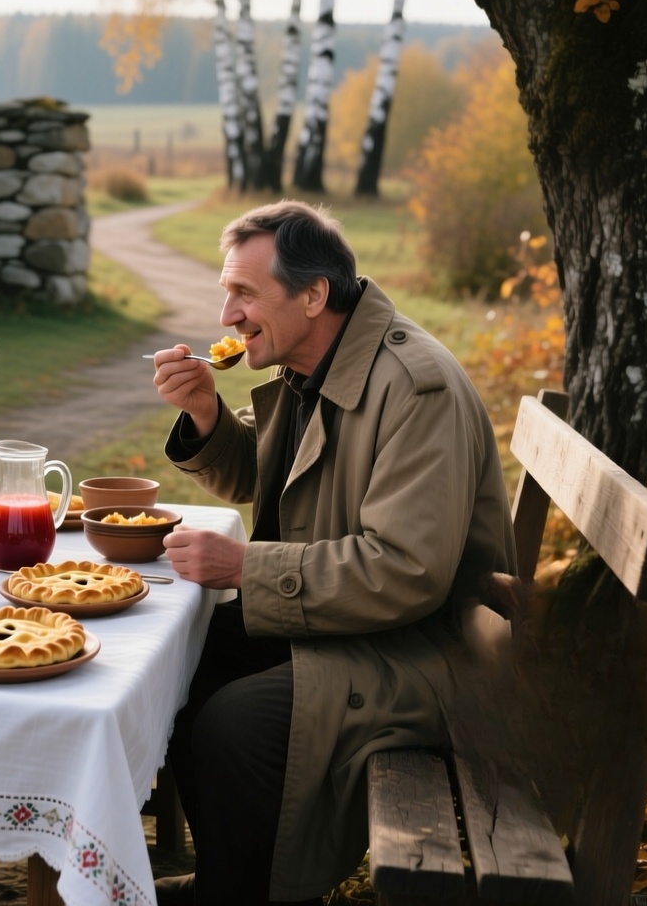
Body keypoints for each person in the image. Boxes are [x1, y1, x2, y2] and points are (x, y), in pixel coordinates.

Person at [149, 200, 517, 906]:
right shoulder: (317, 365)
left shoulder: (414, 389)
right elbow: (270, 471)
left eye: (245, 294)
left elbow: (406, 572)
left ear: (314, 295)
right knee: (190, 661)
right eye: (227, 293)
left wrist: (243, 568)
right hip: (358, 627)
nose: (227, 316)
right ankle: (234, 881)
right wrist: (205, 414)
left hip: (427, 654)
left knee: (236, 724)